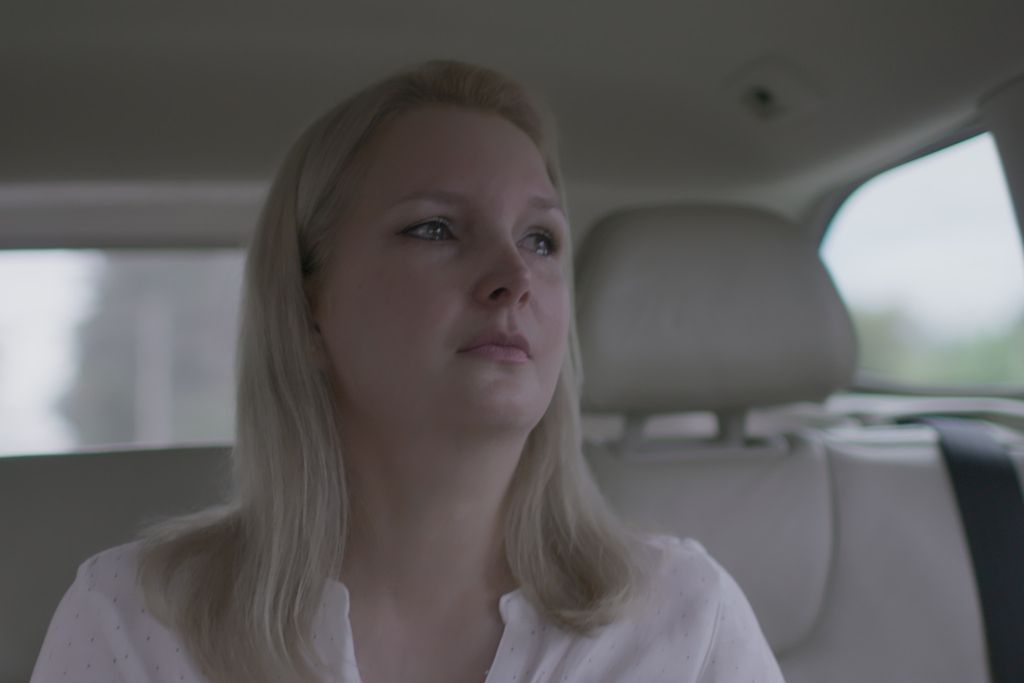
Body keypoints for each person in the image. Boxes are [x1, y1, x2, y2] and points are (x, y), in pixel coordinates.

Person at [30, 60, 784, 683]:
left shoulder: (687, 619)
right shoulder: (136, 622)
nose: (514, 277)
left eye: (540, 239)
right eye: (436, 228)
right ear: (308, 306)